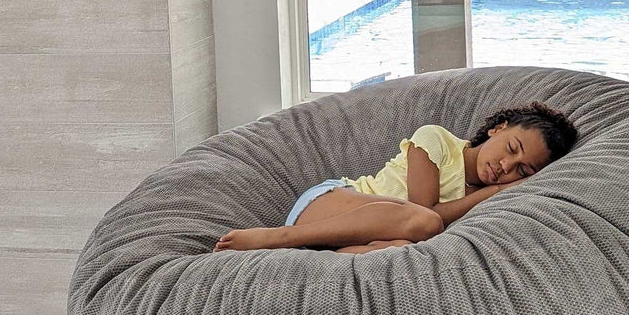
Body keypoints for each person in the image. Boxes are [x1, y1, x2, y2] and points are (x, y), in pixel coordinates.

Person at [212, 101, 578, 254]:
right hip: (329, 205)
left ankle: (308, 259)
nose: (506, 169)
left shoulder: (489, 195)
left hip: (353, 241)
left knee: (401, 252)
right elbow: (421, 211)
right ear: (498, 128)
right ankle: (275, 239)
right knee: (424, 221)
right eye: (512, 150)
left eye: (523, 171)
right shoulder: (437, 140)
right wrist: (491, 194)